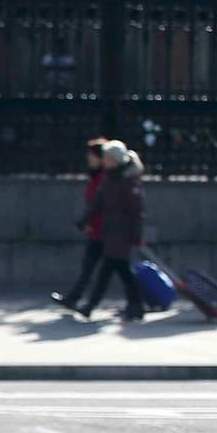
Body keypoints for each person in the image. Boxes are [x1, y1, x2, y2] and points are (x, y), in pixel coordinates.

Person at [71, 140, 147, 322]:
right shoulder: (110, 179)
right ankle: (136, 306)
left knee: (108, 270)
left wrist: (136, 235)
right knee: (123, 271)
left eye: (106, 158)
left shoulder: (128, 181)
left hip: (121, 233)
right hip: (111, 232)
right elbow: (97, 203)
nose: (104, 161)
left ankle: (90, 306)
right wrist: (84, 220)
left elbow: (137, 212)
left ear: (114, 160)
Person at [52, 137, 109, 311]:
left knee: (115, 268)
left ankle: (133, 302)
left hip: (104, 229)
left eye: (92, 156)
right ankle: (75, 298)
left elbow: (99, 204)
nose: (88, 159)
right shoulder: (97, 177)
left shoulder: (104, 178)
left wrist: (87, 221)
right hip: (97, 228)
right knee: (94, 266)